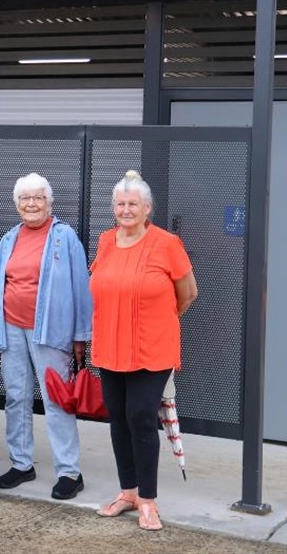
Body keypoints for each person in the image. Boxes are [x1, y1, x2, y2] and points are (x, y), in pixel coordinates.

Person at [90, 170, 198, 531]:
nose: (125, 209)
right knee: (118, 419)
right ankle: (128, 492)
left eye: (133, 204)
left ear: (147, 208)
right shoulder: (106, 240)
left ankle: (148, 501)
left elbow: (188, 293)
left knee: (140, 416)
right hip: (110, 344)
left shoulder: (167, 243)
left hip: (152, 347)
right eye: (120, 204)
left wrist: (160, 319)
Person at [0, 173, 92, 499]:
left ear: (50, 202)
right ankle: (21, 463)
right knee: (16, 397)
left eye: (38, 198)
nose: (31, 204)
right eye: (25, 199)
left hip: (51, 332)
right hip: (12, 328)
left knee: (56, 401)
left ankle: (69, 472)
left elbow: (81, 289)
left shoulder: (65, 237)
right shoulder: (9, 239)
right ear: (17, 204)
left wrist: (80, 336)